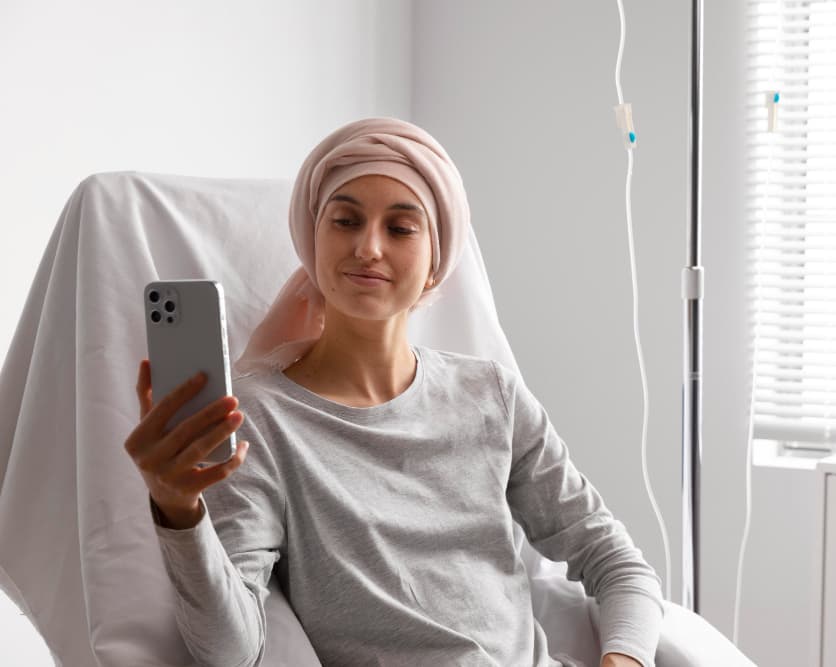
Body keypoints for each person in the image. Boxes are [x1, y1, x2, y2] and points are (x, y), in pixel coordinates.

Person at [124, 118, 664, 667]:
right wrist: (178, 510)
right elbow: (229, 651)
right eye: (345, 220)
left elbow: (615, 560)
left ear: (436, 263)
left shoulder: (492, 395)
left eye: (401, 228)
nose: (367, 248)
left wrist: (625, 660)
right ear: (313, 240)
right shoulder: (256, 416)